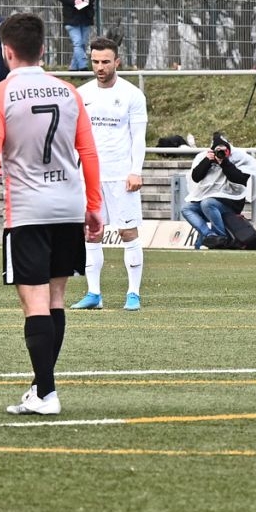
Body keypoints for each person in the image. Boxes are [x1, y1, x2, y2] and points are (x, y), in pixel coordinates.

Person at [0, 12, 103, 416]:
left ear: (6, 52)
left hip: (28, 210)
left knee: (35, 303)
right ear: (43, 49)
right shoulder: (69, 92)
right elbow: (88, 152)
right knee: (55, 299)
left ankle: (46, 393)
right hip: (67, 206)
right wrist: (94, 206)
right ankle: (41, 388)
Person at [73, 36, 149, 310]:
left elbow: (138, 137)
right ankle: (94, 294)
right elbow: (74, 136)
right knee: (91, 233)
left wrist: (135, 171)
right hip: (90, 177)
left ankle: (133, 293)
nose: (100, 67)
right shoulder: (82, 94)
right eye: (95, 62)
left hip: (121, 176)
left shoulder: (132, 94)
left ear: (117, 61)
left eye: (105, 61)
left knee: (128, 231)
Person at [182, 133, 256, 248]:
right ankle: (211, 235)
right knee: (186, 208)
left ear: (229, 150)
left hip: (231, 202)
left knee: (207, 203)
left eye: (223, 151)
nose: (220, 153)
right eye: (218, 151)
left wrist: (224, 162)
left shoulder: (239, 158)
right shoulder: (206, 158)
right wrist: (207, 161)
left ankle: (221, 237)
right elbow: (196, 177)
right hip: (209, 200)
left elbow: (240, 180)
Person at [54, 0, 98, 71]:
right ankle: (83, 67)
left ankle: (73, 69)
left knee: (82, 43)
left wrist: (88, 0)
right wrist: (73, 0)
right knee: (77, 42)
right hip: (71, 15)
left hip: (86, 15)